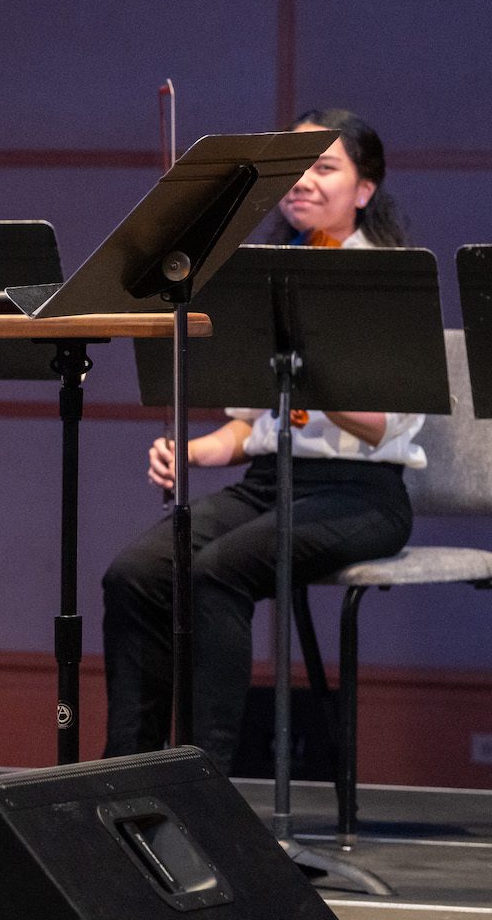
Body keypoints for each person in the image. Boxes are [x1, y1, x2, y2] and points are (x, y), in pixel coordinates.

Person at [102, 109, 419, 768]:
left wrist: (304, 372)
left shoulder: (387, 276)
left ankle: (204, 775)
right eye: (295, 169)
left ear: (364, 189)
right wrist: (192, 452)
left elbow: (383, 424)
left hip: (361, 492)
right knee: (135, 574)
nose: (302, 181)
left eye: (324, 167)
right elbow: (251, 425)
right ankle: (126, 773)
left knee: (217, 572)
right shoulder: (269, 271)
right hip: (271, 483)